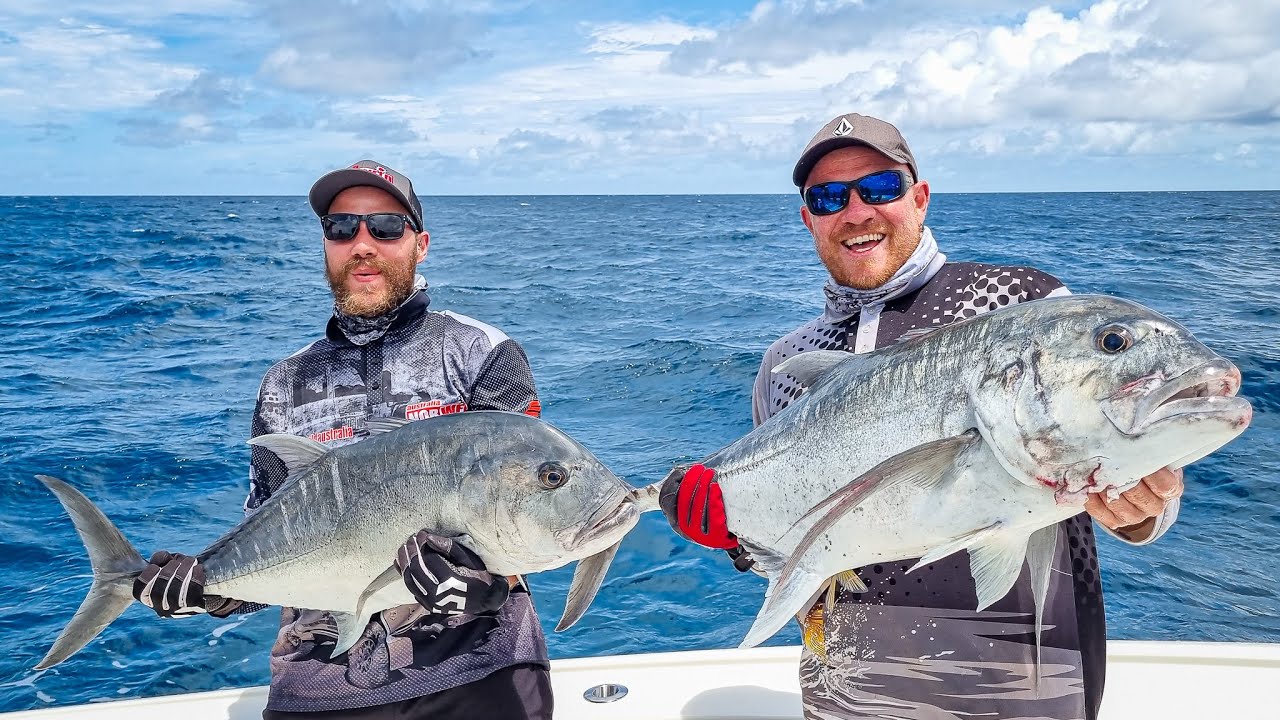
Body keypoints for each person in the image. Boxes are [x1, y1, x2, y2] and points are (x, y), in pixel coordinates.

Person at [665, 114, 1184, 720]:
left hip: (1019, 693)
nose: (856, 212)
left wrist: (1145, 510)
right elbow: (799, 541)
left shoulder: (1023, 302)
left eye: (879, 188)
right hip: (843, 695)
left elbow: (1128, 452)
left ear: (920, 197)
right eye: (829, 197)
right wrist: (736, 540)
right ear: (808, 219)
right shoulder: (786, 364)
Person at [130, 160, 553, 720]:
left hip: (477, 669)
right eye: (341, 228)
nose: (362, 244)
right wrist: (206, 590)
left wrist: (487, 588)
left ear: (420, 244)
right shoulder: (283, 384)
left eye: (384, 227)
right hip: (320, 686)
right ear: (325, 244)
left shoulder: (482, 353)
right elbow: (275, 551)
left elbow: (522, 510)